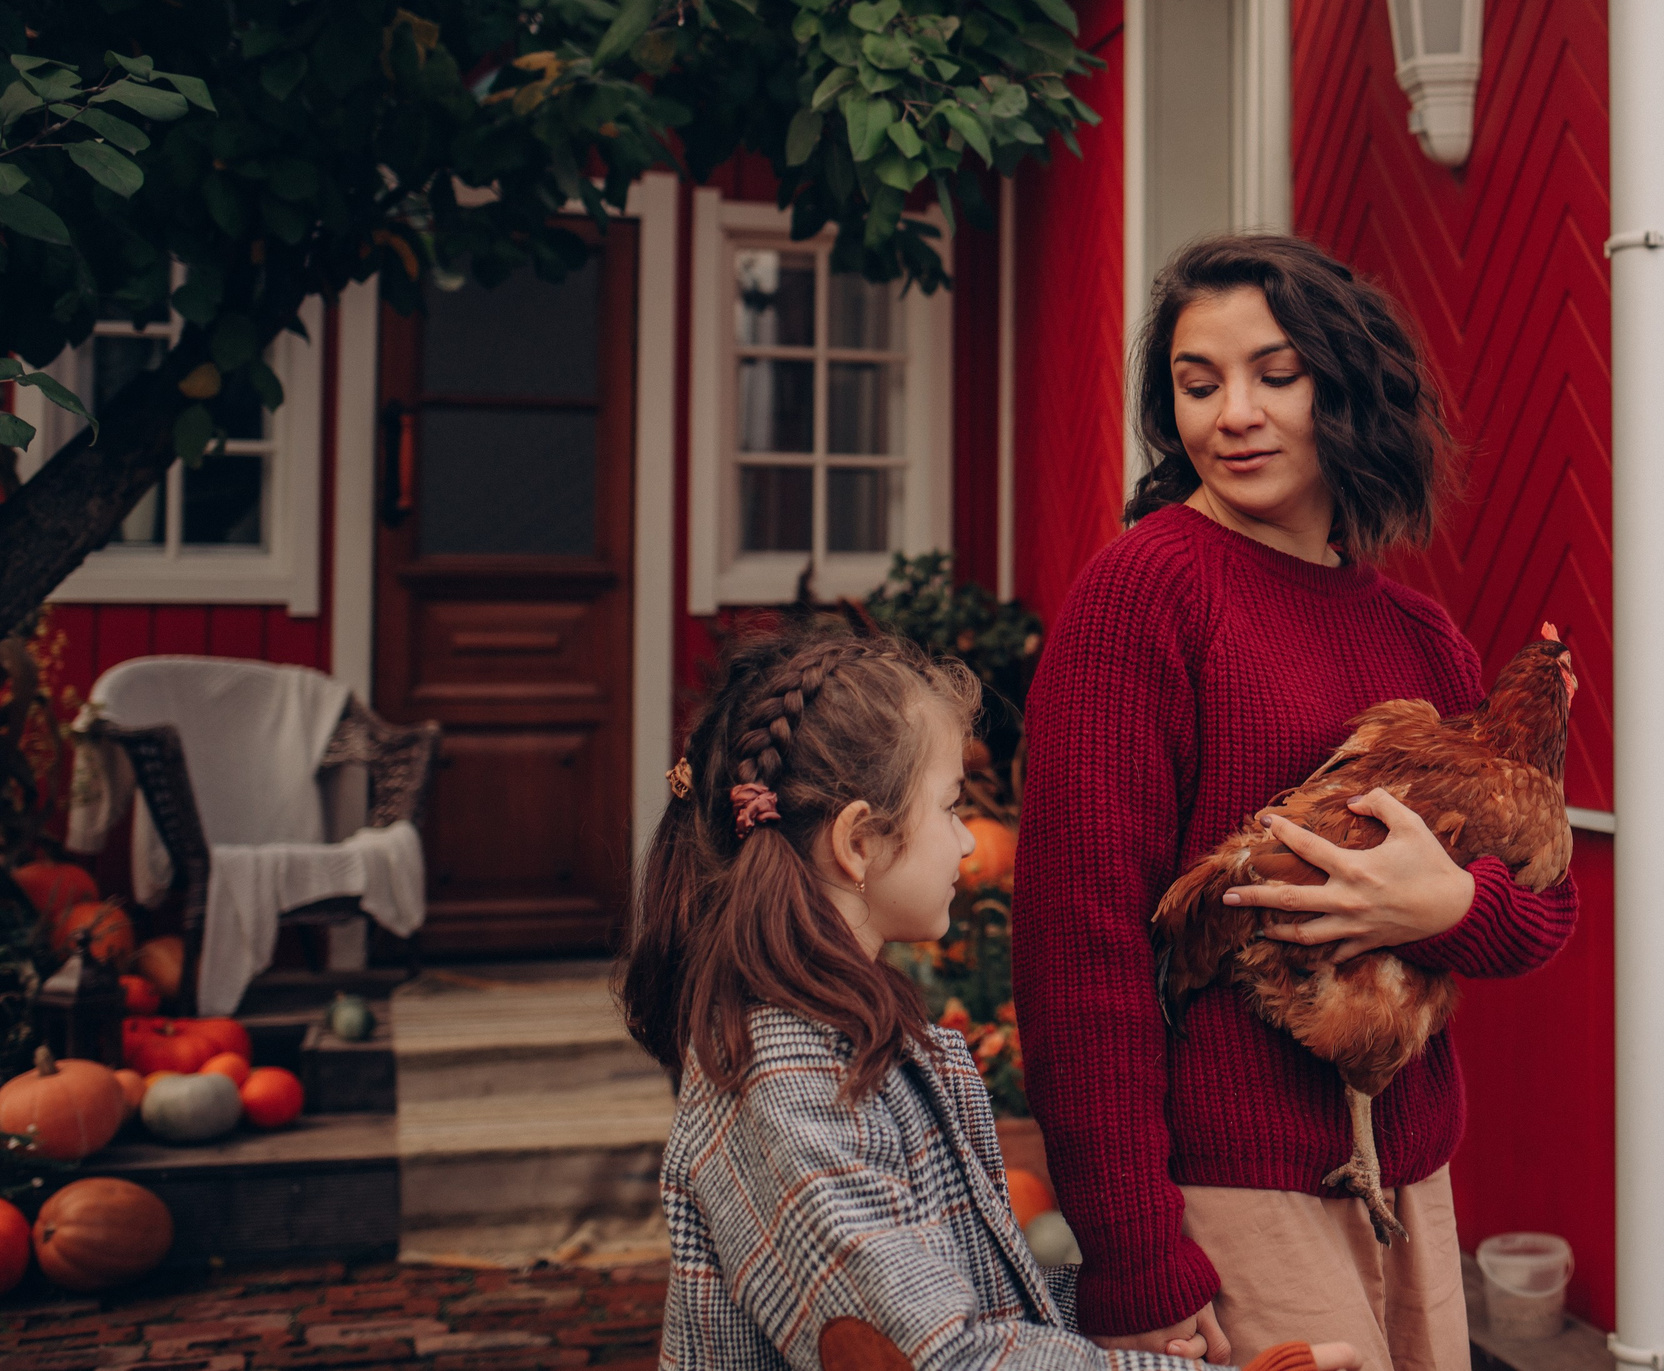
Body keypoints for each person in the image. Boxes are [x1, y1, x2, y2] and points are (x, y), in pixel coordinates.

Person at [1014, 235, 1580, 1371]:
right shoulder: (1145, 594)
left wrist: (1446, 909)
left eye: (1276, 375)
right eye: (1198, 384)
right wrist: (1134, 1259)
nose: (1234, 415)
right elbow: (1078, 945)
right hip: (1231, 1190)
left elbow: (1543, 906)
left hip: (1408, 1176)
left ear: (1346, 388)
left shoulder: (1420, 634)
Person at [620, 621, 1360, 1371]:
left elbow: (977, 1301)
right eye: (950, 806)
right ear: (859, 842)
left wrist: (1119, 1312)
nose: (971, 840)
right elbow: (940, 1355)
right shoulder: (785, 1084)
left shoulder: (848, 1042)